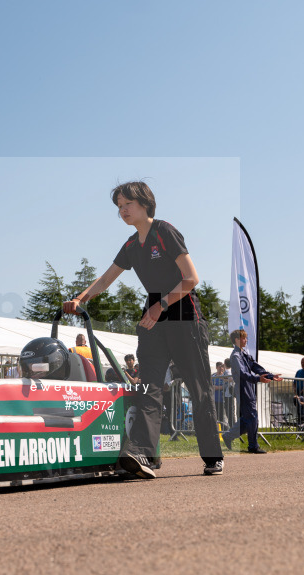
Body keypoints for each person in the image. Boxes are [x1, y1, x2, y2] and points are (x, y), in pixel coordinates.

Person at [63, 181, 224, 477]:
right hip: (153, 317)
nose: (123, 211)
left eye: (128, 204)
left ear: (145, 204)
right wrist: (79, 298)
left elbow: (191, 278)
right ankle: (142, 454)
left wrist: (161, 305)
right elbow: (105, 279)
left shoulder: (164, 231)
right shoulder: (130, 245)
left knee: (198, 389)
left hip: (183, 314)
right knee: (148, 387)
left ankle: (213, 457)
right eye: (119, 207)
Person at [223, 329, 281, 454]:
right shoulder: (235, 356)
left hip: (249, 388)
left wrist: (270, 376)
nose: (246, 340)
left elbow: (255, 366)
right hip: (243, 390)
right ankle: (253, 446)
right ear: (237, 340)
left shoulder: (244, 354)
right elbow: (242, 374)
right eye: (243, 338)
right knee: (252, 417)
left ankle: (228, 436)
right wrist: (258, 378)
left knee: (247, 419)